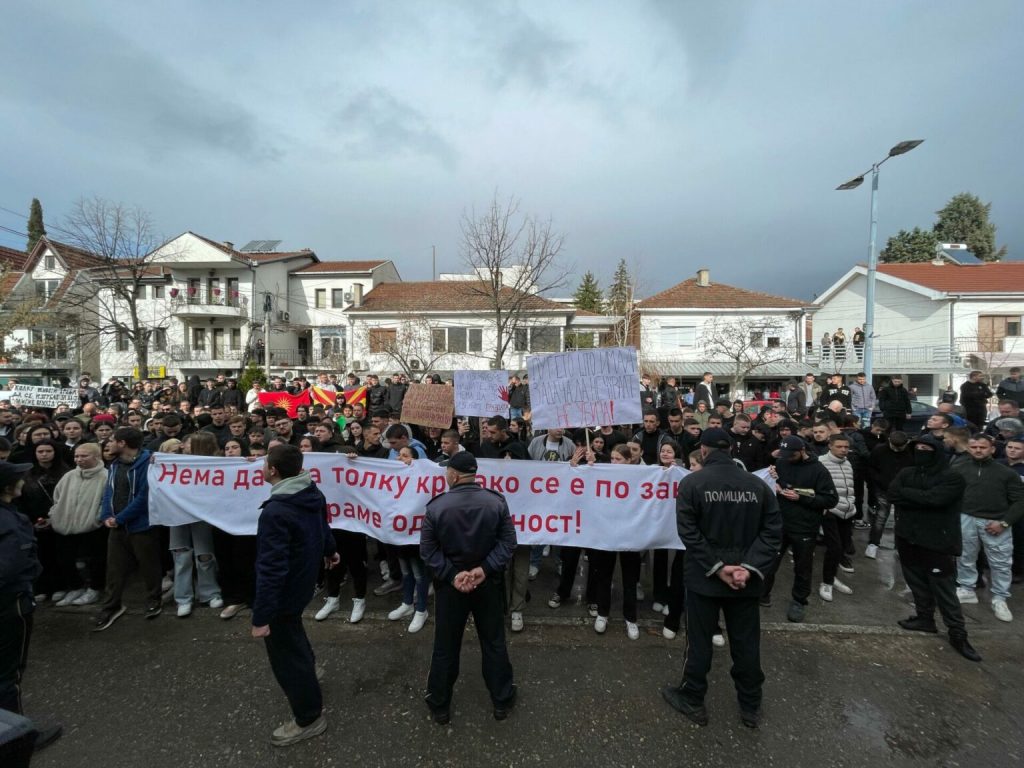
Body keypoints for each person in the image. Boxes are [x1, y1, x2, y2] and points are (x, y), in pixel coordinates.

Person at [661, 428, 782, 728]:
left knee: (699, 643)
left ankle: (692, 697)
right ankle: (750, 704)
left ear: (703, 451)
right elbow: (772, 532)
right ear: (730, 449)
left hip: (705, 580)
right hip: (745, 580)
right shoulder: (756, 485)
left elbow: (688, 532)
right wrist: (748, 567)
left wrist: (717, 566)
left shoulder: (692, 484)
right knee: (746, 643)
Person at [420, 451, 517, 725]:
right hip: (487, 584)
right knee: (494, 642)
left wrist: (453, 575)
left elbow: (428, 551)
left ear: (453, 475)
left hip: (452, 588)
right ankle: (502, 700)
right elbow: (508, 543)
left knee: (445, 646)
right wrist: (484, 570)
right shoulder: (496, 502)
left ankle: (440, 705)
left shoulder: (437, 507)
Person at [251, 444, 338, 746]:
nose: (261, 467)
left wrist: (262, 617)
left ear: (273, 471)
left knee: (286, 655)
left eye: (264, 463)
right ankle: (311, 669)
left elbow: (271, 569)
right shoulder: (309, 492)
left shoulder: (276, 512)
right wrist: (330, 549)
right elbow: (322, 525)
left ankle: (308, 717)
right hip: (302, 584)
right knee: (293, 629)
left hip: (285, 593)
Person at [887, 435, 980, 661]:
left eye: (926, 448)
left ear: (936, 451)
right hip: (908, 537)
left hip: (938, 541)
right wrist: (921, 498)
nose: (921, 451)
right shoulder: (907, 473)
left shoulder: (952, 477)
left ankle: (957, 633)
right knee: (916, 582)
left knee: (943, 589)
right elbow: (893, 494)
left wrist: (910, 496)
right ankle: (925, 618)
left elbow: (936, 500)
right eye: (917, 447)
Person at [0, 460, 63, 751]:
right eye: (18, 478)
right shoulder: (11, 522)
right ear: (8, 488)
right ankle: (17, 736)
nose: (24, 481)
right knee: (8, 673)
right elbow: (13, 566)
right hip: (10, 604)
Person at [761, 436, 838, 622]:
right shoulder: (782, 462)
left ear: (802, 450)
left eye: (792, 455)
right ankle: (762, 593)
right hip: (779, 523)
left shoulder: (818, 470)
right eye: (784, 455)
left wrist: (801, 498)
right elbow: (775, 482)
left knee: (802, 567)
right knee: (770, 561)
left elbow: (830, 499)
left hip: (805, 527)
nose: (787, 458)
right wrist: (775, 484)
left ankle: (799, 600)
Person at [93, 427, 162, 631]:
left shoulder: (148, 464)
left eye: (113, 440)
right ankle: (111, 605)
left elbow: (144, 495)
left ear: (123, 443)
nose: (109, 443)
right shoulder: (114, 464)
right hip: (117, 525)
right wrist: (106, 515)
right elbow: (109, 491)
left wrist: (121, 518)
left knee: (148, 564)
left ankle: (153, 599)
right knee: (114, 568)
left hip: (141, 525)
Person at [952, 434, 1024, 622]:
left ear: (992, 449)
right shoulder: (959, 468)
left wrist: (1004, 522)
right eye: (974, 447)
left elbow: (1019, 502)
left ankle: (1000, 598)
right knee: (965, 556)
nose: (978, 450)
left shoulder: (1007, 473)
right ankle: (966, 589)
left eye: (982, 447)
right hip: (965, 518)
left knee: (1000, 563)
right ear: (968, 448)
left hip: (995, 522)